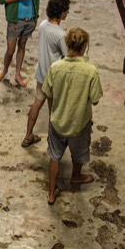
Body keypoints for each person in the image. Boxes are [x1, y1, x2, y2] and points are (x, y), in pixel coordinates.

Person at [42, 27, 103, 205]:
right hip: (79, 123)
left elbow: (48, 92)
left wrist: (54, 112)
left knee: (54, 156)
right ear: (84, 47)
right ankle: (76, 176)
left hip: (57, 121)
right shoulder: (91, 71)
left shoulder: (55, 67)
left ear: (67, 44)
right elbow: (95, 100)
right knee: (78, 153)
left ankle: (52, 193)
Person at [22, 0, 70, 148]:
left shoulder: (43, 24)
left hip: (41, 73)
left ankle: (28, 135)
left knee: (37, 103)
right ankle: (53, 140)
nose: (67, 13)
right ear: (61, 12)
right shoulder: (60, 34)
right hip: (54, 77)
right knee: (54, 109)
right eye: (66, 11)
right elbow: (67, 56)